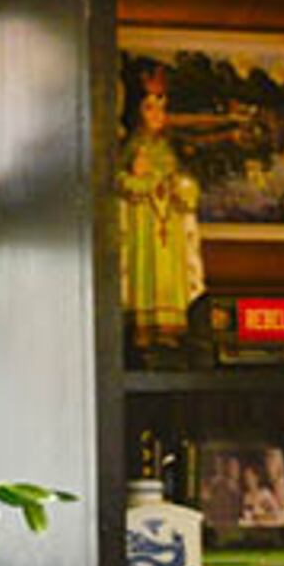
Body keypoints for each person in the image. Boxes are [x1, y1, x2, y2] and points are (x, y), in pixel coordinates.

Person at [114, 67, 204, 353]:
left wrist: (182, 186)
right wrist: (137, 178)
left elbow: (185, 181)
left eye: (162, 109)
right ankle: (141, 330)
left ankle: (170, 330)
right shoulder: (131, 147)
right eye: (150, 108)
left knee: (171, 276)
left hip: (169, 225)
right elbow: (118, 182)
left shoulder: (169, 148)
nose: (157, 115)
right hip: (142, 226)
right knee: (143, 276)